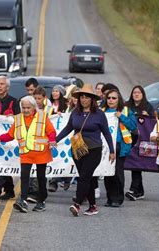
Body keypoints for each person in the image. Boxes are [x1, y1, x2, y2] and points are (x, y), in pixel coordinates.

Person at [56, 84, 115, 217]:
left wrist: (111, 151)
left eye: (87, 97)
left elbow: (106, 133)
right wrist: (55, 139)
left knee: (83, 177)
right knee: (86, 178)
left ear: (92, 99)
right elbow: (68, 128)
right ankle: (93, 206)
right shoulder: (75, 113)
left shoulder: (99, 114)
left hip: (94, 149)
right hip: (77, 149)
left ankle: (77, 204)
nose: (84, 100)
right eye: (81, 97)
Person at [0, 96, 57, 213]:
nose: (26, 110)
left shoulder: (42, 117)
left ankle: (41, 200)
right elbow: (10, 135)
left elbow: (51, 131)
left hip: (41, 152)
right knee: (24, 177)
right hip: (26, 153)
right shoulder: (18, 119)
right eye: (23, 107)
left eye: (28, 107)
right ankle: (23, 201)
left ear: (33, 107)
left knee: (40, 178)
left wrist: (52, 140)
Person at [0, 76, 21, 201]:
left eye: (2, 84)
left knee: (4, 162)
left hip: (9, 139)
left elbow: (19, 120)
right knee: (2, 162)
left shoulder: (14, 101)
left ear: (7, 87)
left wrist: (12, 117)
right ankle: (10, 189)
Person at [100, 89, 137, 207]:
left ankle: (118, 198)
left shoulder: (126, 111)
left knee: (117, 172)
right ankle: (110, 198)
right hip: (105, 146)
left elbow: (133, 126)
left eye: (114, 98)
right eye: (109, 98)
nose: (111, 100)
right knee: (107, 172)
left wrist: (121, 117)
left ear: (119, 99)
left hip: (120, 145)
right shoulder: (101, 111)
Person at [125, 85, 154, 201]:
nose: (136, 94)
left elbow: (153, 122)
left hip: (143, 139)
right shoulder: (127, 106)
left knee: (137, 164)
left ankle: (134, 189)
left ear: (143, 94)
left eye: (139, 92)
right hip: (129, 138)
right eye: (134, 92)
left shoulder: (148, 106)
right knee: (133, 164)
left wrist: (147, 116)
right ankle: (139, 191)